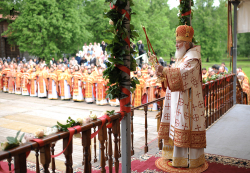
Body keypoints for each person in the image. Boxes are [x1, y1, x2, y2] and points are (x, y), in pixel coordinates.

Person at [156, 25, 206, 168]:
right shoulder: (182, 57)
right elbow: (173, 75)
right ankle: (175, 156)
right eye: (176, 41)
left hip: (188, 103)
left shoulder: (193, 58)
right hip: (178, 101)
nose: (176, 45)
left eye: (178, 42)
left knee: (184, 126)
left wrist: (165, 70)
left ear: (186, 43)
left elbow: (182, 75)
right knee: (176, 125)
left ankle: (187, 160)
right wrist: (162, 74)